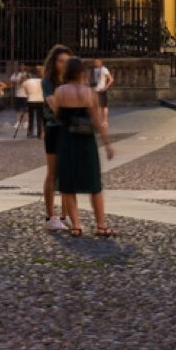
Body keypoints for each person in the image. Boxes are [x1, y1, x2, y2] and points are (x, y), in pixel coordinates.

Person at [48, 57, 114, 238]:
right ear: (81, 72)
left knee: (68, 184)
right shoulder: (89, 93)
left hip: (67, 140)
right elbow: (97, 121)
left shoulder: (60, 91)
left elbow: (58, 115)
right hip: (86, 142)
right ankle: (101, 226)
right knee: (94, 185)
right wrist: (107, 144)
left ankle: (76, 226)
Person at [37, 45, 73, 229]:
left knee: (68, 173)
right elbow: (54, 106)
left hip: (69, 129)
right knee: (52, 172)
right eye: (60, 61)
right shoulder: (47, 82)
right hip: (54, 128)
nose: (64, 65)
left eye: (67, 61)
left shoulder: (72, 80)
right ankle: (50, 217)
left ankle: (66, 215)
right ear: (54, 62)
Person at [18, 63, 46, 140]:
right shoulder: (43, 81)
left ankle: (30, 133)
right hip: (41, 100)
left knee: (31, 118)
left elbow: (25, 93)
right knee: (40, 118)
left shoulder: (26, 82)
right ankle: (40, 133)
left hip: (31, 100)